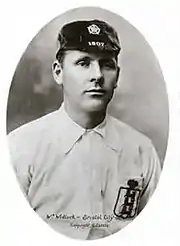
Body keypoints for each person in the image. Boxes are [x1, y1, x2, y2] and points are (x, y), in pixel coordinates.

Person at [8, 19, 161, 240]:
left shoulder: (141, 150)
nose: (97, 75)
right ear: (58, 72)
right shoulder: (21, 146)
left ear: (117, 75)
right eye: (83, 63)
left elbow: (154, 233)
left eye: (106, 64)